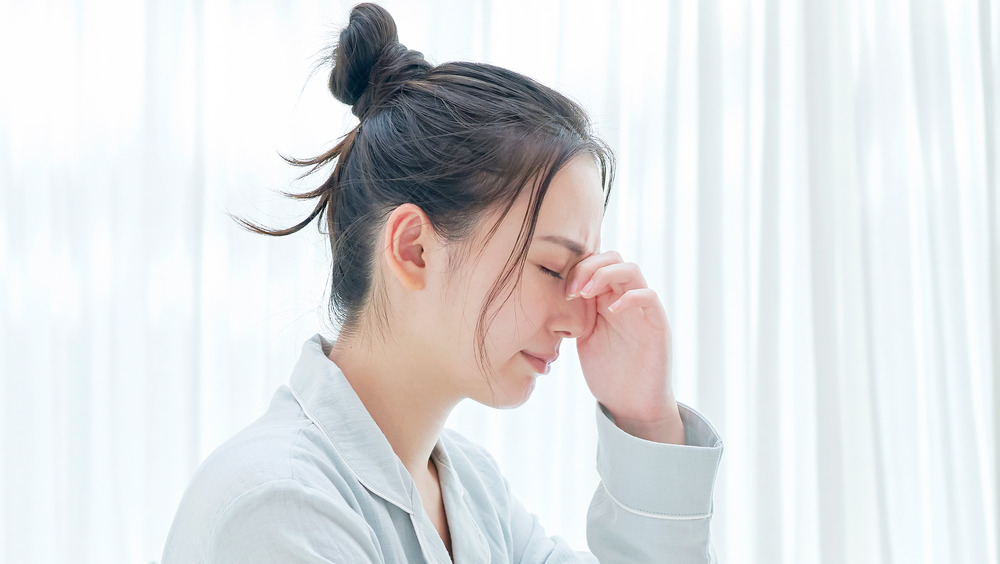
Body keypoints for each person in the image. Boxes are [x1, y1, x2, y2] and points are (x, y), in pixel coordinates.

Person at [161, 3, 723, 562]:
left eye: (582, 275)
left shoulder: (476, 496)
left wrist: (646, 419)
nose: (581, 319)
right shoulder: (279, 508)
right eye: (552, 268)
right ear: (414, 249)